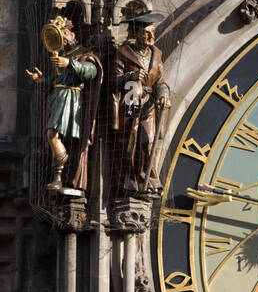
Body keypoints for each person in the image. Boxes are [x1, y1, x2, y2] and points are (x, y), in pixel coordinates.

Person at [26, 15, 102, 193]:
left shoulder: (84, 54)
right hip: (58, 98)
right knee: (53, 137)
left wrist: (69, 63)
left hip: (71, 100)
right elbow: (56, 82)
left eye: (64, 33)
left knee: (52, 134)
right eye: (60, 35)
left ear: (72, 34)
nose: (62, 38)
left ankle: (61, 173)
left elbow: (91, 72)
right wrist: (43, 81)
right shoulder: (61, 57)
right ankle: (59, 176)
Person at [111, 12, 171, 194]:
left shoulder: (156, 55)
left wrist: (163, 95)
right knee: (130, 142)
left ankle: (149, 179)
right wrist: (131, 76)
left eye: (152, 33)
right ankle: (129, 181)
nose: (151, 37)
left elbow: (161, 81)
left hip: (149, 104)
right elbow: (114, 80)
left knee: (148, 141)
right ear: (136, 33)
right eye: (146, 33)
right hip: (130, 102)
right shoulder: (123, 54)